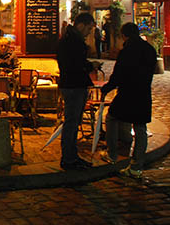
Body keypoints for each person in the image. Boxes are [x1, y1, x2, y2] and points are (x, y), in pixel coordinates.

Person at [100, 22, 157, 178]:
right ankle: (137, 166)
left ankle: (112, 154)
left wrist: (107, 88)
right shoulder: (149, 49)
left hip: (127, 93)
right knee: (140, 128)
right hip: (143, 93)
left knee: (111, 118)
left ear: (124, 35)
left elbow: (119, 74)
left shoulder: (127, 51)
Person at [57, 12, 100, 171]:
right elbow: (75, 65)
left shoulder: (68, 39)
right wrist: (90, 66)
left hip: (70, 84)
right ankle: (69, 159)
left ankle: (71, 156)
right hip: (74, 86)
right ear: (81, 25)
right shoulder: (73, 42)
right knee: (72, 123)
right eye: (88, 28)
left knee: (73, 123)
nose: (89, 32)